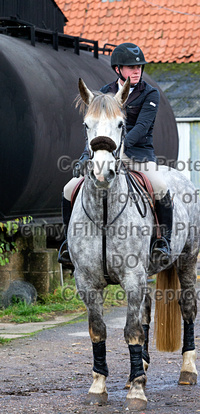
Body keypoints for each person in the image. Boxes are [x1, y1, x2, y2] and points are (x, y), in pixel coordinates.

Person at [58, 42, 172, 267]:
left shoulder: (151, 94)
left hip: (138, 155)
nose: (137, 70)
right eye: (131, 67)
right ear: (118, 69)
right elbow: (96, 131)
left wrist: (115, 149)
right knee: (69, 188)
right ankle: (68, 243)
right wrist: (85, 158)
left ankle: (162, 241)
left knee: (160, 186)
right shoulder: (105, 93)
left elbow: (141, 128)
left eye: (139, 66)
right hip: (104, 154)